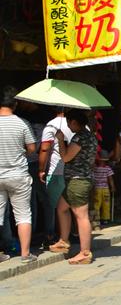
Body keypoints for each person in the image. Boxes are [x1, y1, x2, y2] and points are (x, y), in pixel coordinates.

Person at [50, 109, 96, 264]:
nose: (68, 126)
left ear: (75, 122)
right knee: (62, 208)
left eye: (69, 123)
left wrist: (61, 141)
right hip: (77, 180)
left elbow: (66, 157)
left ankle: (85, 252)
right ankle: (64, 240)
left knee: (81, 215)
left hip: (78, 181)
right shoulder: (90, 136)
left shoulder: (80, 138)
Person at [0, 92, 38, 263]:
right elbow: (32, 148)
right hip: (18, 175)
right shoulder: (22, 123)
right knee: (23, 214)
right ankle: (25, 254)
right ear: (14, 106)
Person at [37, 108, 72, 244]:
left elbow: (45, 148)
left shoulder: (51, 125)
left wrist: (41, 169)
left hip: (56, 171)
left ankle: (52, 235)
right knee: (71, 205)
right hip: (74, 172)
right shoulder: (80, 125)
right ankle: (70, 234)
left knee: (52, 205)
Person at [92, 154, 115, 231]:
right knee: (106, 204)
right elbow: (110, 179)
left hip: (97, 188)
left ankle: (97, 219)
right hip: (105, 188)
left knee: (97, 204)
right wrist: (112, 187)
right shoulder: (108, 168)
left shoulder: (94, 168)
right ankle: (105, 218)